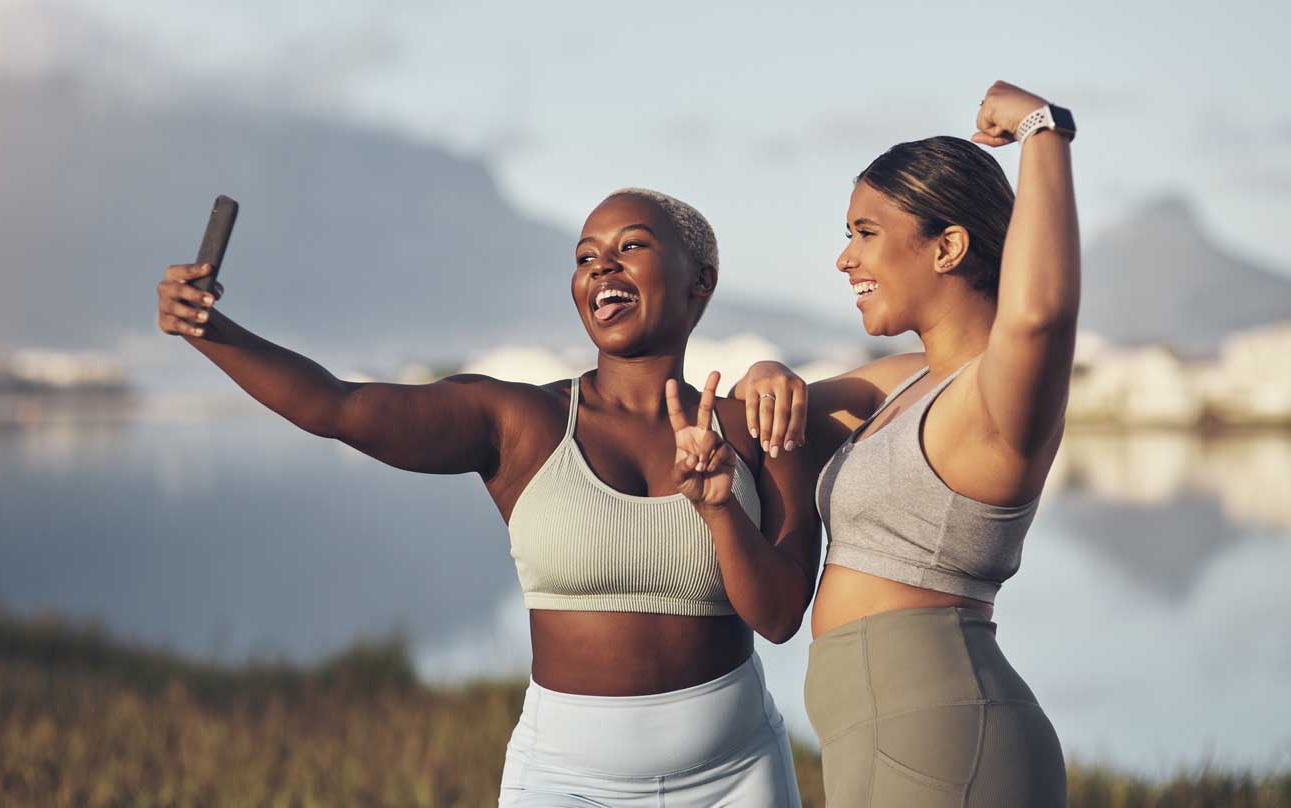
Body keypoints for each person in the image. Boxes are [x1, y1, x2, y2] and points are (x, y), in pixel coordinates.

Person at [156, 187, 818, 807]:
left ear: (700, 279)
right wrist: (211, 331)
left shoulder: (759, 427)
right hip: (565, 782)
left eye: (631, 247)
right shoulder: (519, 422)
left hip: (736, 777)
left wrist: (720, 509)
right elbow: (339, 406)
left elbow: (782, 617)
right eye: (585, 256)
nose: (601, 267)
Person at [734, 80, 1077, 806]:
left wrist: (1043, 131)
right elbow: (759, 422)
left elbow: (1039, 313)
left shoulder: (998, 397)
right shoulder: (905, 383)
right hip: (888, 740)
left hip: (948, 745)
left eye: (865, 233)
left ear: (948, 246)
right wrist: (766, 372)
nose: (843, 259)